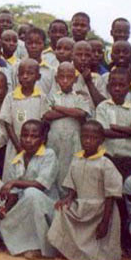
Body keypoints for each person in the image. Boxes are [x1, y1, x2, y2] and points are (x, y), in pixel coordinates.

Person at [48, 120, 122, 260]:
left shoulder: (105, 163)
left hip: (100, 209)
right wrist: (68, 198)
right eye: (84, 137)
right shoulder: (76, 159)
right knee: (62, 209)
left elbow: (111, 194)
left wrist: (105, 222)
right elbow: (73, 185)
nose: (88, 141)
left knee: (99, 241)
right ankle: (68, 251)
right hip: (82, 205)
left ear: (101, 140)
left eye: (93, 138)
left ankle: (95, 256)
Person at [0, 119, 58, 260]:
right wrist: (5, 209)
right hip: (26, 206)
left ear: (42, 139)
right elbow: (13, 196)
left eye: (34, 136)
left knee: (32, 194)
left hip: (48, 207)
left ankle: (42, 248)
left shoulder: (49, 155)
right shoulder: (16, 160)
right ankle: (24, 245)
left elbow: (41, 185)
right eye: (25, 136)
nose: (28, 140)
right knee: (3, 221)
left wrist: (13, 182)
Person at [42, 62, 91, 193]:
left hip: (73, 140)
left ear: (75, 79)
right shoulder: (52, 96)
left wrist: (58, 108)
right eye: (61, 77)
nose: (65, 80)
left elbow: (81, 113)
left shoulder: (80, 97)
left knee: (72, 169)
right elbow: (47, 115)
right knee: (54, 169)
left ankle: (69, 197)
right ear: (56, 78)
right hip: (55, 140)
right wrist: (71, 111)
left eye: (69, 77)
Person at [0, 59, 48, 178]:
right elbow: (7, 123)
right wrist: (19, 147)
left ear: (38, 76)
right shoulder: (10, 97)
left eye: (30, 73)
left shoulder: (42, 97)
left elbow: (44, 122)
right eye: (22, 73)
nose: (25, 77)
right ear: (17, 76)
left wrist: (39, 145)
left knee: (32, 175)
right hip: (15, 145)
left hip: (36, 147)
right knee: (12, 174)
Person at [95, 68, 131, 178]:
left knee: (128, 190)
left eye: (122, 85)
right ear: (108, 87)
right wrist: (130, 131)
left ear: (129, 88)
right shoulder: (102, 107)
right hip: (108, 158)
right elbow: (104, 131)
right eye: (114, 85)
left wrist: (117, 128)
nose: (117, 88)